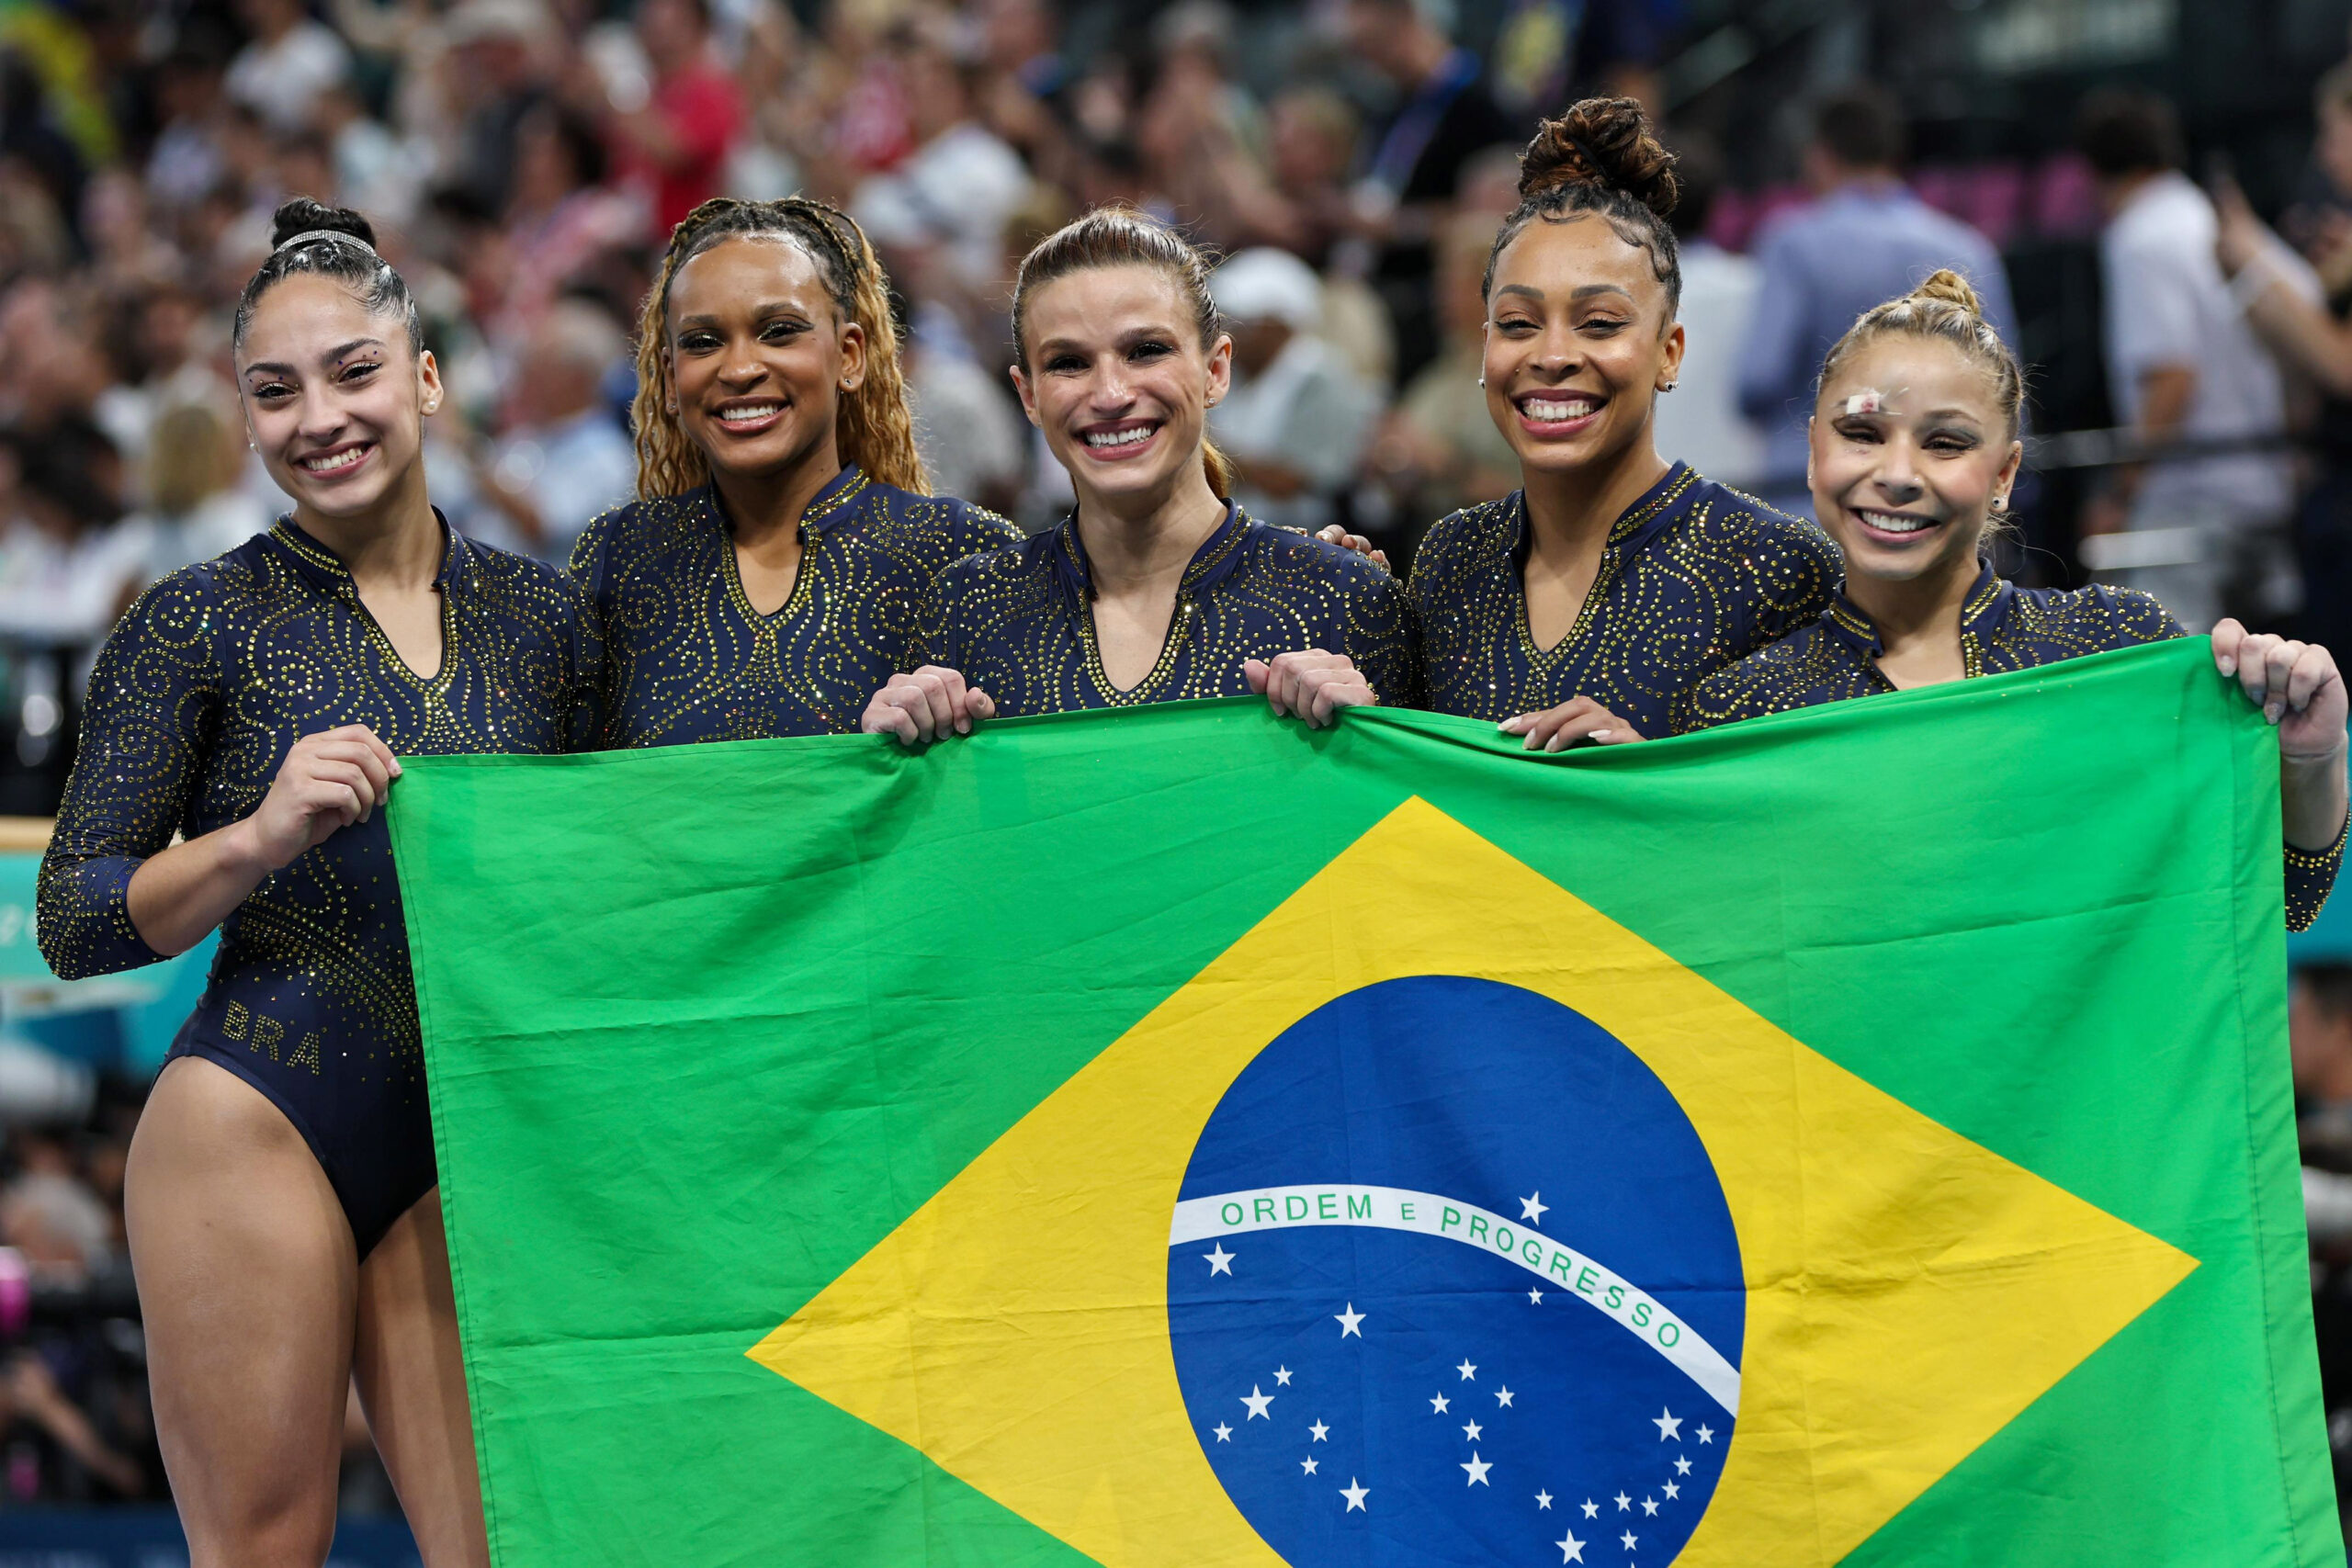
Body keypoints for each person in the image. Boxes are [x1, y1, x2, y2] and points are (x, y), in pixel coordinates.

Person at [35, 198, 576, 1566]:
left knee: (513, 1545)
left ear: (428, 377)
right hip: (258, 1113)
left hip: (469, 1136)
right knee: (267, 1545)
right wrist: (257, 835)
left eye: (352, 372)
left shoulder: (547, 617)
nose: (318, 417)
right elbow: (78, 910)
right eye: (274, 392)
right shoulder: (195, 616)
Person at [1683, 271, 2346, 931]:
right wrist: (1630, 795)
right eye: (1862, 434)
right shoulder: (1740, 708)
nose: (1896, 475)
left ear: (2004, 475)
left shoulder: (2117, 648)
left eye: (1946, 443)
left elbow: (2285, 896)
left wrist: (2310, 757)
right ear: (1813, 452)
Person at [860, 207, 1416, 740]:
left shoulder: (1339, 595)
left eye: (1146, 351)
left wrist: (1367, 738)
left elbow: (1428, 821)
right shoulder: (967, 608)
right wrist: (894, 757)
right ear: (1028, 395)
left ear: (1216, 371)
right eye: (1068, 363)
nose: (1111, 394)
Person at [1407, 97, 1841, 748]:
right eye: (1519, 324)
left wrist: (1647, 782)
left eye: (1601, 323)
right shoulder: (1449, 561)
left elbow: (1823, 821)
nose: (1552, 357)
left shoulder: (1775, 567)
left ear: (1670, 352)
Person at [570, 196, 1021, 748]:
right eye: (702, 342)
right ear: (668, 378)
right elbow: (563, 796)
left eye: (779, 331)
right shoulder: (619, 557)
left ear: (850, 355)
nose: (739, 369)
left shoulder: (965, 553)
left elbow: (1030, 801)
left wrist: (919, 753)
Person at [1735, 85, 2018, 520]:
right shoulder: (1969, 248)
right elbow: (2007, 396)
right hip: (1937, 506)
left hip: (1813, 506)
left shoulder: (1793, 243)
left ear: (1818, 155)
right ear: (1894, 155)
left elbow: (1758, 380)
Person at [2077, 88, 2301, 632]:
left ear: (2093, 170)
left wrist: (2118, 494)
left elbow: (2171, 378)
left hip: (2192, 508)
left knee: (2165, 684)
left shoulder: (2140, 237)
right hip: (2267, 492)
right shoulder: (2209, 218)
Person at [1204, 246, 1380, 536]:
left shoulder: (1321, 378)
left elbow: (1291, 480)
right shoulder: (1235, 372)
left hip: (1308, 539)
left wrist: (1204, 455)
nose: (1233, 333)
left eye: (1245, 323)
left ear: (1277, 325)